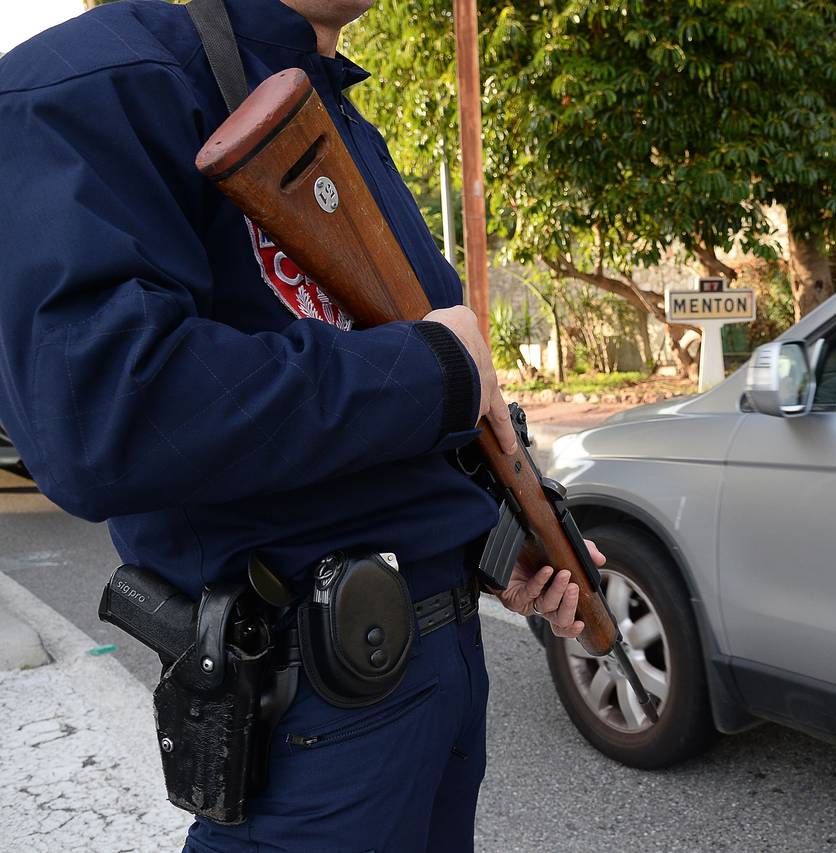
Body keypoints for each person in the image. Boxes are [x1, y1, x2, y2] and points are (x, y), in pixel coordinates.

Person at [0, 1, 597, 849]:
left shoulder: (345, 124)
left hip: (438, 676)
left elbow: (401, 435)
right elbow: (103, 413)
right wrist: (433, 369)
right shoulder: (92, 83)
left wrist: (506, 542)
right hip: (306, 716)